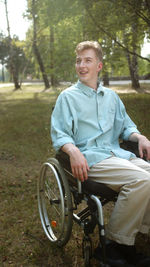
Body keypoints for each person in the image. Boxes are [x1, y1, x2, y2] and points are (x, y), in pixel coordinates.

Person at [51, 41, 150, 266]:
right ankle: (114, 245)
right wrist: (73, 150)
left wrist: (141, 137)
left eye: (88, 60)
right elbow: (60, 133)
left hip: (117, 154)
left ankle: (136, 231)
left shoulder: (112, 97)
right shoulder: (67, 97)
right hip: (91, 159)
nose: (82, 65)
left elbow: (126, 127)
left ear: (99, 66)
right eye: (79, 61)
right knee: (142, 180)